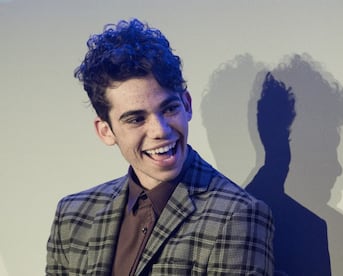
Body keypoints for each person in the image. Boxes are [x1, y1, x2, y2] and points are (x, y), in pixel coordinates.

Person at [46, 18, 274, 275]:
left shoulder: (236, 215)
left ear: (186, 105)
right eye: (136, 119)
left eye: (169, 108)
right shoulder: (72, 215)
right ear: (106, 131)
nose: (160, 130)